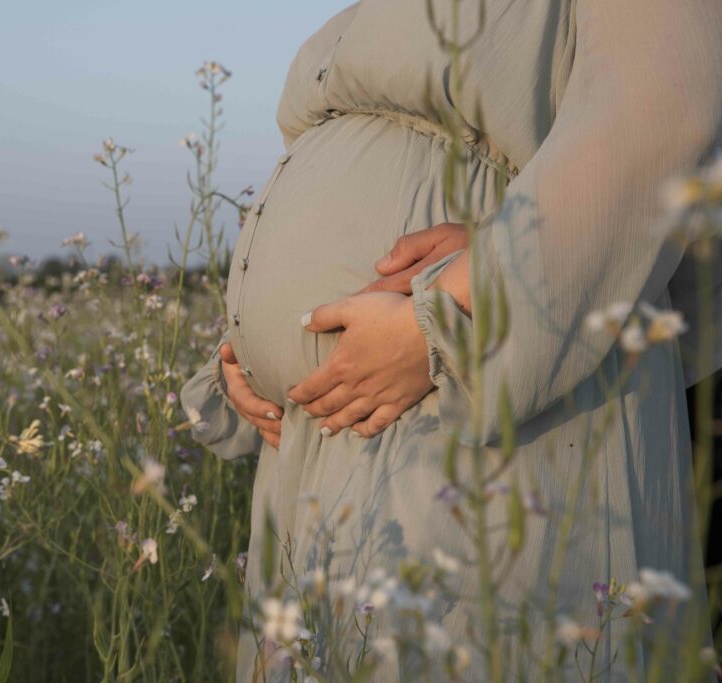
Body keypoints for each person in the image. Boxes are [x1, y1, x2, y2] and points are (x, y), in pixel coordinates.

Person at [180, 0, 722, 680]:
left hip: (486, 395)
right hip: (328, 438)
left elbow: (660, 115)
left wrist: (472, 295)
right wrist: (250, 345)